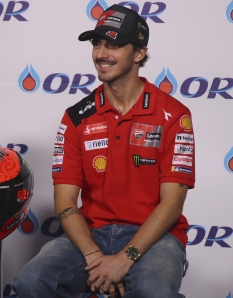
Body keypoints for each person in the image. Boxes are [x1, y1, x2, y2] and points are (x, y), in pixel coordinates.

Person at [12, 5, 194, 298]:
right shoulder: (75, 117)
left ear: (138, 53)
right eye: (97, 43)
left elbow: (172, 204)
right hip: (92, 234)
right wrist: (96, 258)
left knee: (153, 290)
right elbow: (66, 203)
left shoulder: (174, 115)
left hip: (157, 238)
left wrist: (124, 260)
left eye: (113, 44)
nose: (100, 53)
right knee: (31, 281)